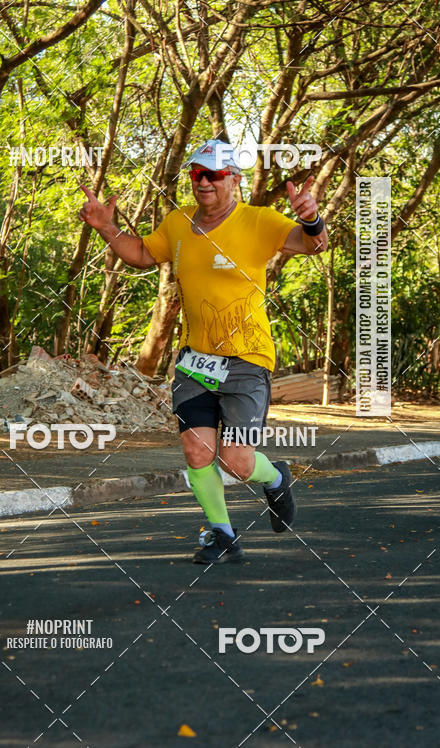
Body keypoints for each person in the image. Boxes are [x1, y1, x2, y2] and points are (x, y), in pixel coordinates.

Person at [79, 139, 328, 564]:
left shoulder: (259, 220)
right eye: (197, 174)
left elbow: (314, 245)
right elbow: (140, 253)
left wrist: (310, 218)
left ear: (234, 179)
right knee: (196, 451)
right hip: (196, 361)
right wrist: (106, 226)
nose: (204, 182)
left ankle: (275, 476)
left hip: (247, 361)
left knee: (236, 463)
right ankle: (223, 536)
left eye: (214, 174)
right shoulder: (177, 222)